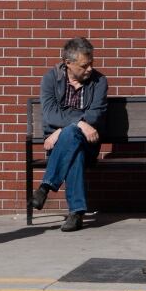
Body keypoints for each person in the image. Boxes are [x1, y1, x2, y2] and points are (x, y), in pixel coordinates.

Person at [30, 37, 108, 232]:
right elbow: (50, 114)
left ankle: (45, 187)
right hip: (60, 147)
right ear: (68, 63)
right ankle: (76, 213)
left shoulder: (99, 81)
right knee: (74, 148)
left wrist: (62, 129)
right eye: (84, 65)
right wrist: (79, 123)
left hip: (88, 142)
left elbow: (95, 115)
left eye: (91, 63)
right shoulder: (50, 79)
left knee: (72, 135)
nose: (90, 69)